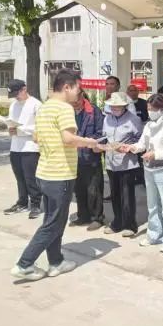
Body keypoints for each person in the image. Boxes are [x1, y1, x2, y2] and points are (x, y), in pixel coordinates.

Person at [10, 70, 100, 281]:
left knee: (53, 220)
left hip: (44, 172)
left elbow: (37, 137)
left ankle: (56, 262)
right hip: (61, 173)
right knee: (54, 224)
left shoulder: (44, 107)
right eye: (77, 88)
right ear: (67, 87)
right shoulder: (64, 108)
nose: (78, 93)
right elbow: (69, 139)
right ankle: (25, 264)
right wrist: (90, 142)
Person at [129, 94, 163, 253]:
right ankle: (154, 234)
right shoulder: (149, 125)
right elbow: (142, 144)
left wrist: (156, 155)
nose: (150, 112)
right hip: (149, 169)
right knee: (152, 205)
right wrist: (131, 148)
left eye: (152, 109)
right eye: (148, 109)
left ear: (161, 109)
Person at [102, 92, 143, 237]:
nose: (114, 109)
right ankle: (117, 222)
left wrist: (128, 147)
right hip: (111, 161)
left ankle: (130, 224)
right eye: (112, 107)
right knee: (115, 194)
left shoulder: (134, 119)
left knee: (127, 194)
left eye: (117, 107)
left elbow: (140, 140)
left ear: (124, 106)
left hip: (127, 163)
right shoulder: (107, 119)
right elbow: (104, 136)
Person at [3, 79, 43, 219]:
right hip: (15, 147)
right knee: (19, 177)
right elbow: (11, 122)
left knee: (30, 177)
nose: (16, 97)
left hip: (30, 147)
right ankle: (22, 202)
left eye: (17, 94)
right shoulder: (13, 105)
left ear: (24, 89)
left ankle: (36, 204)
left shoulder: (36, 105)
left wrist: (21, 130)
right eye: (13, 95)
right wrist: (10, 129)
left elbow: (40, 127)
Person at [70, 90, 105, 231]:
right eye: (71, 101)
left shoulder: (93, 111)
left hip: (90, 156)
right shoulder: (68, 112)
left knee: (94, 189)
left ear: (83, 98)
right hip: (74, 157)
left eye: (76, 101)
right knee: (79, 189)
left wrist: (90, 142)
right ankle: (83, 216)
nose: (74, 104)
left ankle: (97, 218)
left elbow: (101, 132)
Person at [126, 84, 149, 186]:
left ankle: (143, 179)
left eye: (134, 90)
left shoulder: (144, 103)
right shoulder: (125, 103)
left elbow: (147, 117)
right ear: (127, 92)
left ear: (138, 92)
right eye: (130, 90)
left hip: (142, 134)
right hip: (129, 135)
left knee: (142, 157)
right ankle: (135, 178)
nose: (133, 92)